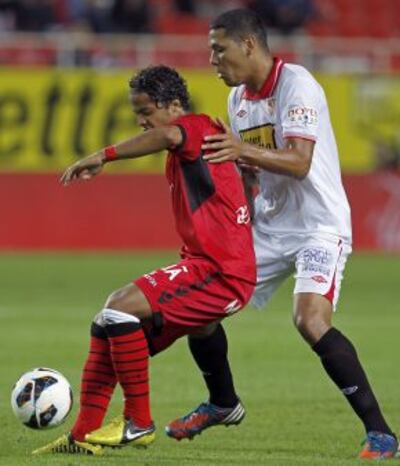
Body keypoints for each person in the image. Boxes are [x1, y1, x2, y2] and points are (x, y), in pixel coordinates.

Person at [165, 9, 400, 460]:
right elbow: (254, 172)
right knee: (202, 311)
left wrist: (240, 149)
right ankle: (222, 402)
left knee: (310, 320)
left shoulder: (297, 84)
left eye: (219, 48)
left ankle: (381, 434)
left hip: (318, 226)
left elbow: (299, 162)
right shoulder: (238, 100)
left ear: (249, 44)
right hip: (270, 227)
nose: (212, 59)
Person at [32, 64, 256, 455]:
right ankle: (83, 434)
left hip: (221, 274)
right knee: (108, 325)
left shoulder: (196, 126)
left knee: (119, 308)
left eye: (145, 111)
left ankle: (139, 423)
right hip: (206, 266)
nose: (140, 121)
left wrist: (103, 155)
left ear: (173, 105)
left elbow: (169, 133)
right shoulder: (194, 141)